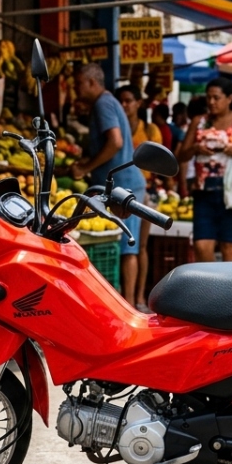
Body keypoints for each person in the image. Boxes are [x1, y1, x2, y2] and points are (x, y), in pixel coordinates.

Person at [71, 64, 149, 304]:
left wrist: (86, 167)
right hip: (119, 185)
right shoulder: (106, 103)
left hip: (124, 187)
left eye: (79, 84)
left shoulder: (103, 104)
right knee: (125, 247)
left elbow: (115, 142)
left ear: (92, 83)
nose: (75, 89)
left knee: (128, 248)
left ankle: (127, 305)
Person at [175, 76, 232, 263]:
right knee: (202, 245)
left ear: (229, 98)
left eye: (216, 98)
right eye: (209, 97)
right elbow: (181, 155)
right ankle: (211, 288)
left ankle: (230, 291)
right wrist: (195, 148)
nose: (211, 102)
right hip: (203, 191)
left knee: (229, 246)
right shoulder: (199, 121)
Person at [118, 84, 162, 309]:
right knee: (130, 246)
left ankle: (139, 297)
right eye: (121, 101)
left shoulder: (150, 130)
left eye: (129, 100)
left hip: (145, 190)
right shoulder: (119, 127)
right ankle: (130, 298)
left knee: (140, 246)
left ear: (138, 103)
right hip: (126, 191)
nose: (124, 105)